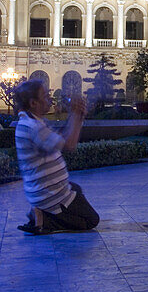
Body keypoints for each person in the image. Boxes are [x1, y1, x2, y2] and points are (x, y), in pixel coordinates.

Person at [12, 78, 100, 234]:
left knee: (76, 189)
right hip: (49, 194)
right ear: (33, 103)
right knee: (91, 220)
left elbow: (63, 137)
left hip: (41, 190)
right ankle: (44, 219)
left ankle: (42, 212)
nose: (49, 99)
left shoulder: (30, 122)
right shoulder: (33, 127)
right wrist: (76, 113)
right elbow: (69, 144)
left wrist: (77, 116)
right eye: (45, 96)